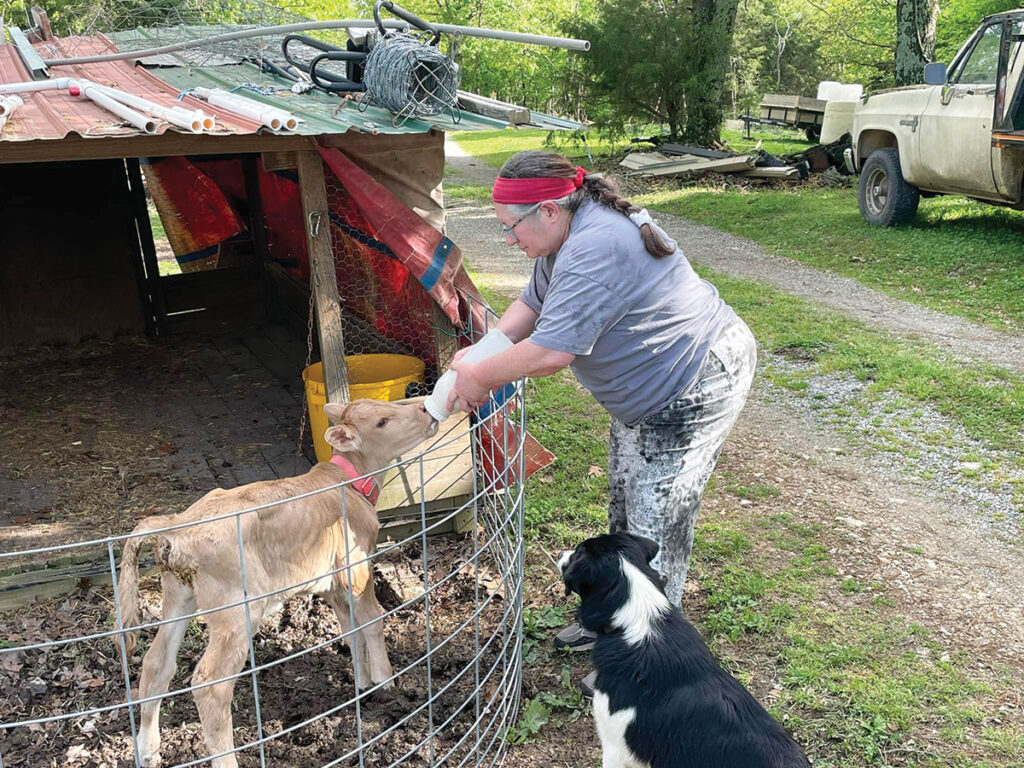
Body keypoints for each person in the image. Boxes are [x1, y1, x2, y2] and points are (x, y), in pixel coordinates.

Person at [446, 150, 757, 695]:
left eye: (510, 228)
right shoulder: (564, 234)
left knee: (655, 524)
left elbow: (549, 352)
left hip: (694, 378)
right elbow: (532, 307)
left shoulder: (596, 246)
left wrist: (481, 377)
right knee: (624, 507)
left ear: (548, 210)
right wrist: (481, 353)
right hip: (649, 391)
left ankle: (647, 666)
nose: (508, 241)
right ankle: (612, 619)